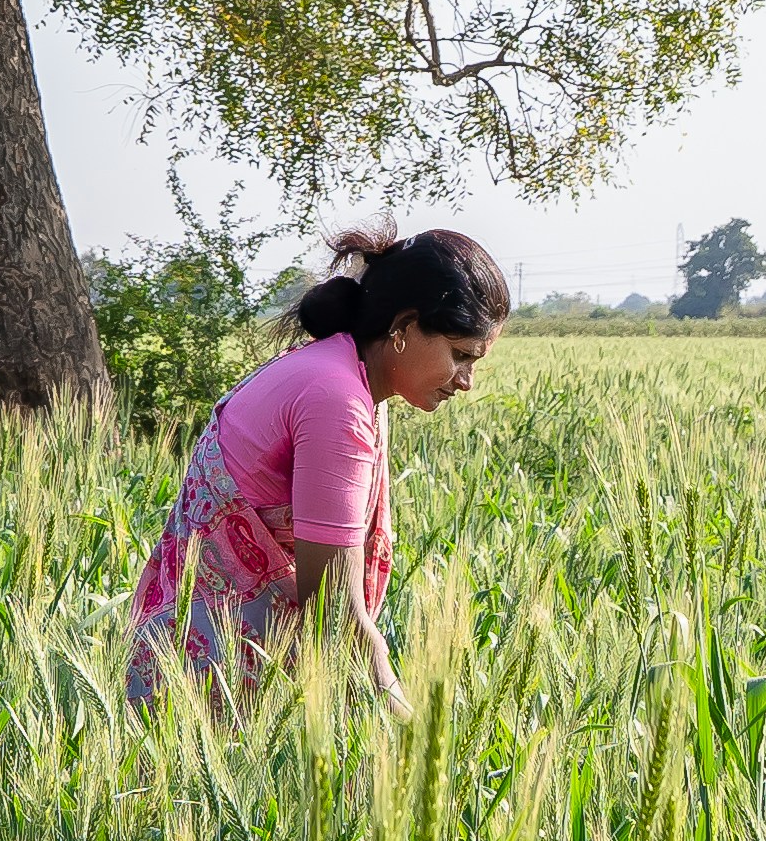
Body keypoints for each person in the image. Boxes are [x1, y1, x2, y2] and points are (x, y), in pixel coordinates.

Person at [126, 223, 511, 710]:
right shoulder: (338, 399)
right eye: (460, 355)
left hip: (188, 665)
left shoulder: (338, 372)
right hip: (204, 691)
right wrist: (410, 737)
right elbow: (335, 614)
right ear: (404, 327)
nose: (466, 381)